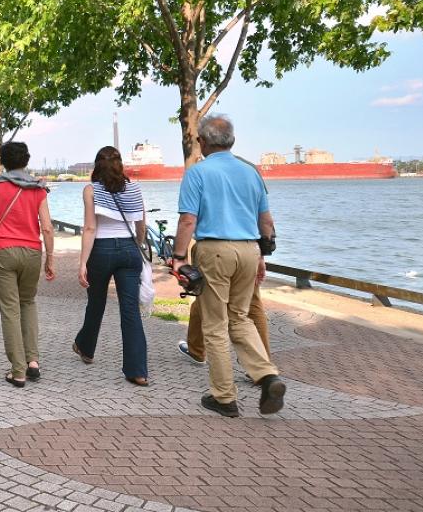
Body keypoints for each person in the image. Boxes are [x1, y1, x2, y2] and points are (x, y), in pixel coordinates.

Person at [170, 114, 286, 417]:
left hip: (214, 250)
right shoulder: (251, 172)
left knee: (215, 324)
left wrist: (179, 257)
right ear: (231, 141)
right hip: (249, 250)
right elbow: (266, 222)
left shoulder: (198, 173)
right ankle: (267, 375)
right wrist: (260, 254)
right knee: (241, 318)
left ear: (203, 141)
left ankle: (224, 397)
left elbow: (188, 220)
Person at [72, 147, 149, 386]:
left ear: (97, 166)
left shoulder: (91, 190)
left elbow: (90, 229)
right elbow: (141, 227)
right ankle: (137, 371)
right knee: (130, 310)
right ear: (120, 165)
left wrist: (83, 262)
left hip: (101, 251)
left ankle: (86, 348)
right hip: (129, 250)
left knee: (96, 302)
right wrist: (136, 246)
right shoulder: (135, 189)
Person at [0, 141, 55, 387]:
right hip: (32, 252)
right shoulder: (39, 188)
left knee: (10, 310)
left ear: (3, 161)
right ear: (26, 161)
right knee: (28, 302)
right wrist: (50, 258)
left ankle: (18, 371)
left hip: (3, 252)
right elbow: (46, 226)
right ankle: (33, 361)